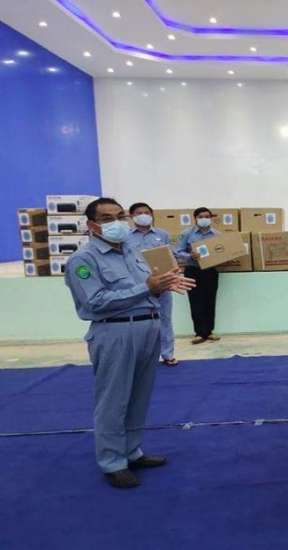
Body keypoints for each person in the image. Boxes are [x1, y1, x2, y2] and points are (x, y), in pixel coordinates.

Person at [64, 198, 195, 488]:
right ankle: (112, 461)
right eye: (107, 218)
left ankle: (132, 451)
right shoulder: (83, 260)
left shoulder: (133, 252)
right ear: (92, 226)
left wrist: (163, 285)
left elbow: (149, 288)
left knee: (139, 396)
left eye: (120, 216)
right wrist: (146, 287)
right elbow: (95, 302)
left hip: (148, 328)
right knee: (114, 400)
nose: (117, 223)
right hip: (115, 332)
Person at [127, 202, 178, 366]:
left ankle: (167, 354)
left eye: (147, 212)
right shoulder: (125, 237)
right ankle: (140, 356)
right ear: (132, 216)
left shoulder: (162, 234)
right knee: (138, 320)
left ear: (152, 215)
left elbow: (171, 255)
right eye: (139, 213)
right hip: (137, 285)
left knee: (164, 319)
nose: (143, 215)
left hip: (162, 283)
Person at [174, 207, 221, 345]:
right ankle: (199, 333)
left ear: (211, 218)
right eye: (201, 217)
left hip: (210, 270)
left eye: (207, 216)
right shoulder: (187, 234)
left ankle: (209, 331)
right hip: (193, 270)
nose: (204, 219)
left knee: (210, 300)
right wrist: (190, 255)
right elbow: (178, 252)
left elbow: (221, 251)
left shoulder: (217, 234)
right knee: (195, 301)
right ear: (195, 218)